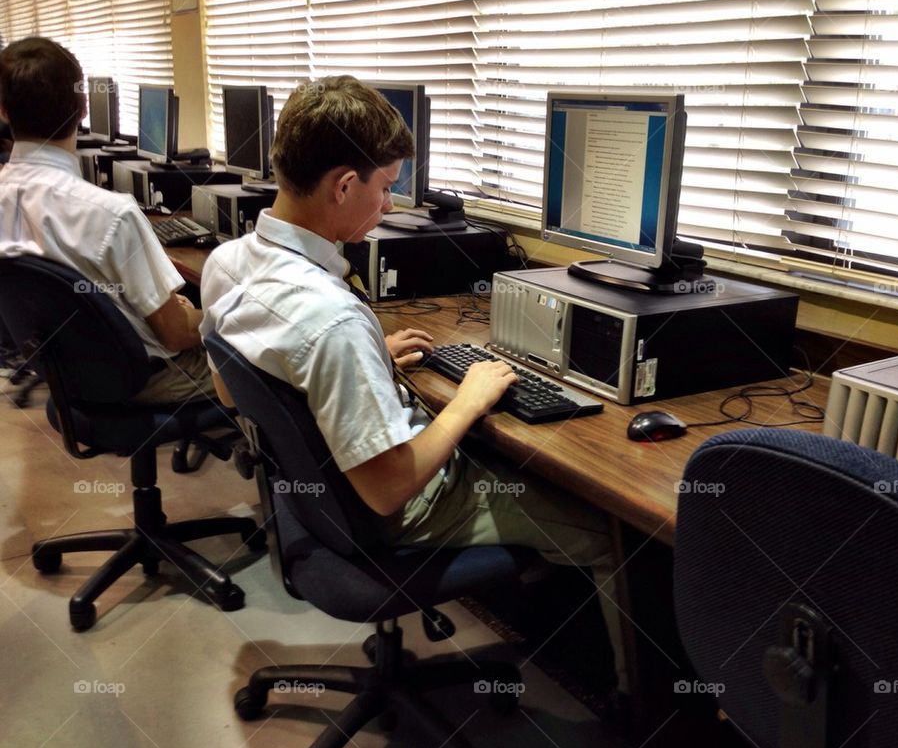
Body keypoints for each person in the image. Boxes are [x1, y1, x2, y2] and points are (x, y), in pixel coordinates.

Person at [199, 75, 629, 698]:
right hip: (389, 514)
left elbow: (232, 393)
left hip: (315, 504)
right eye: (385, 187)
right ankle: (632, 713)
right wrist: (468, 400)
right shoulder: (333, 319)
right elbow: (389, 488)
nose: (391, 207)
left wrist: (369, 359)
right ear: (344, 185)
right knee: (607, 531)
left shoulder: (229, 262)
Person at [0, 37, 213, 404]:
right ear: (83, 107)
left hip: (71, 378)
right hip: (146, 382)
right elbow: (176, 337)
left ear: (2, 111)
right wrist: (209, 315)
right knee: (266, 365)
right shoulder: (112, 214)